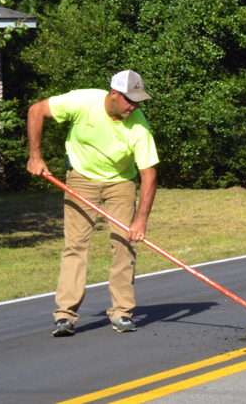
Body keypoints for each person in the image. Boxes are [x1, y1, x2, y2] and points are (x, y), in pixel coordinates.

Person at [27, 70, 159, 337]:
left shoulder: (138, 125)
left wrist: (141, 220)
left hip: (121, 183)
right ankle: (65, 315)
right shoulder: (82, 101)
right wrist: (35, 156)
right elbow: (36, 110)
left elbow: (149, 173)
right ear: (114, 94)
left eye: (138, 101)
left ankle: (122, 311)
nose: (134, 107)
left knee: (124, 242)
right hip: (81, 178)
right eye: (129, 100)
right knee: (75, 245)